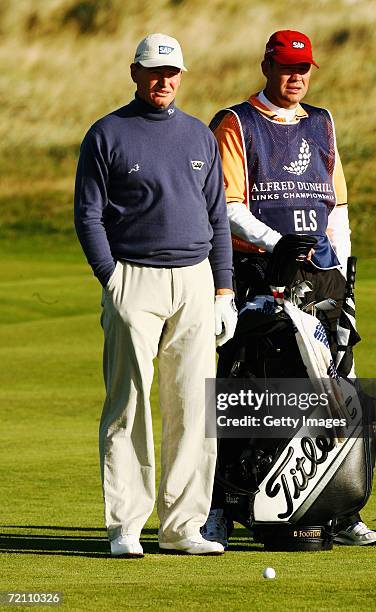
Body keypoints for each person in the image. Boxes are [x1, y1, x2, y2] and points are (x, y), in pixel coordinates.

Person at [202, 29, 376, 547]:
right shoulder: (236, 123)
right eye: (286, 68)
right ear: (267, 67)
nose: (296, 78)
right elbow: (229, 206)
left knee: (335, 391)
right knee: (245, 390)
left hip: (321, 276)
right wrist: (279, 243)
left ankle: (341, 510)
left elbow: (338, 207)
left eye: (303, 69)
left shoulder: (323, 123)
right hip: (261, 274)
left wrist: (345, 271)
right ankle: (222, 506)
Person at [74, 33, 237, 557]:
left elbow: (216, 215)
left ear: (181, 76)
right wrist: (112, 279)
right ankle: (125, 525)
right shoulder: (107, 134)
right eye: (154, 72)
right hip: (133, 280)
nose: (163, 81)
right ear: (135, 73)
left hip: (194, 279)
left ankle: (183, 527)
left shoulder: (198, 135)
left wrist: (224, 288)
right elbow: (89, 214)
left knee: (193, 406)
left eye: (172, 73)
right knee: (128, 404)